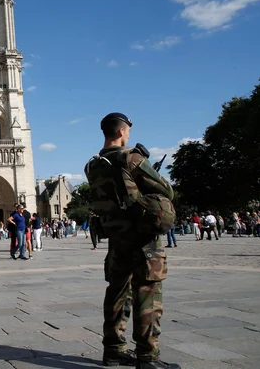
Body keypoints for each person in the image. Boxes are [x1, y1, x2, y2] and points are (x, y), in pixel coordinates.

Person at [84, 112, 180, 369]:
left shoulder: (92, 165)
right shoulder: (131, 157)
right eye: (127, 131)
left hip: (116, 238)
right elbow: (166, 190)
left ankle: (114, 350)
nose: (129, 136)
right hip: (143, 239)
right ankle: (148, 357)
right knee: (147, 294)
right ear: (120, 132)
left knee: (116, 293)